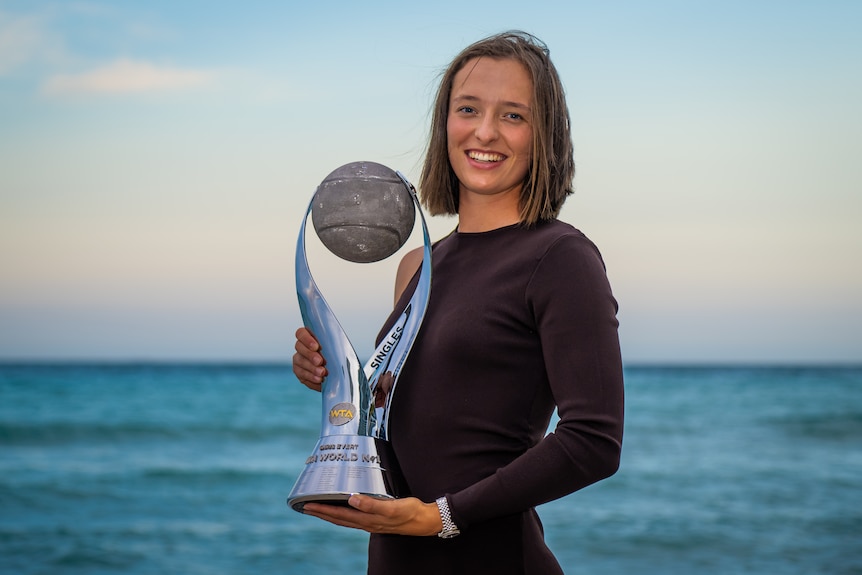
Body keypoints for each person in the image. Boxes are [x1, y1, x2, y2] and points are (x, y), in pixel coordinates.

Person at [292, 30, 624, 575]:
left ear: (545, 135)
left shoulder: (561, 257)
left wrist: (440, 517)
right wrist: (332, 375)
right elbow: (415, 417)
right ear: (445, 121)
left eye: (513, 115)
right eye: (468, 108)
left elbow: (594, 441)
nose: (485, 131)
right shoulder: (416, 266)